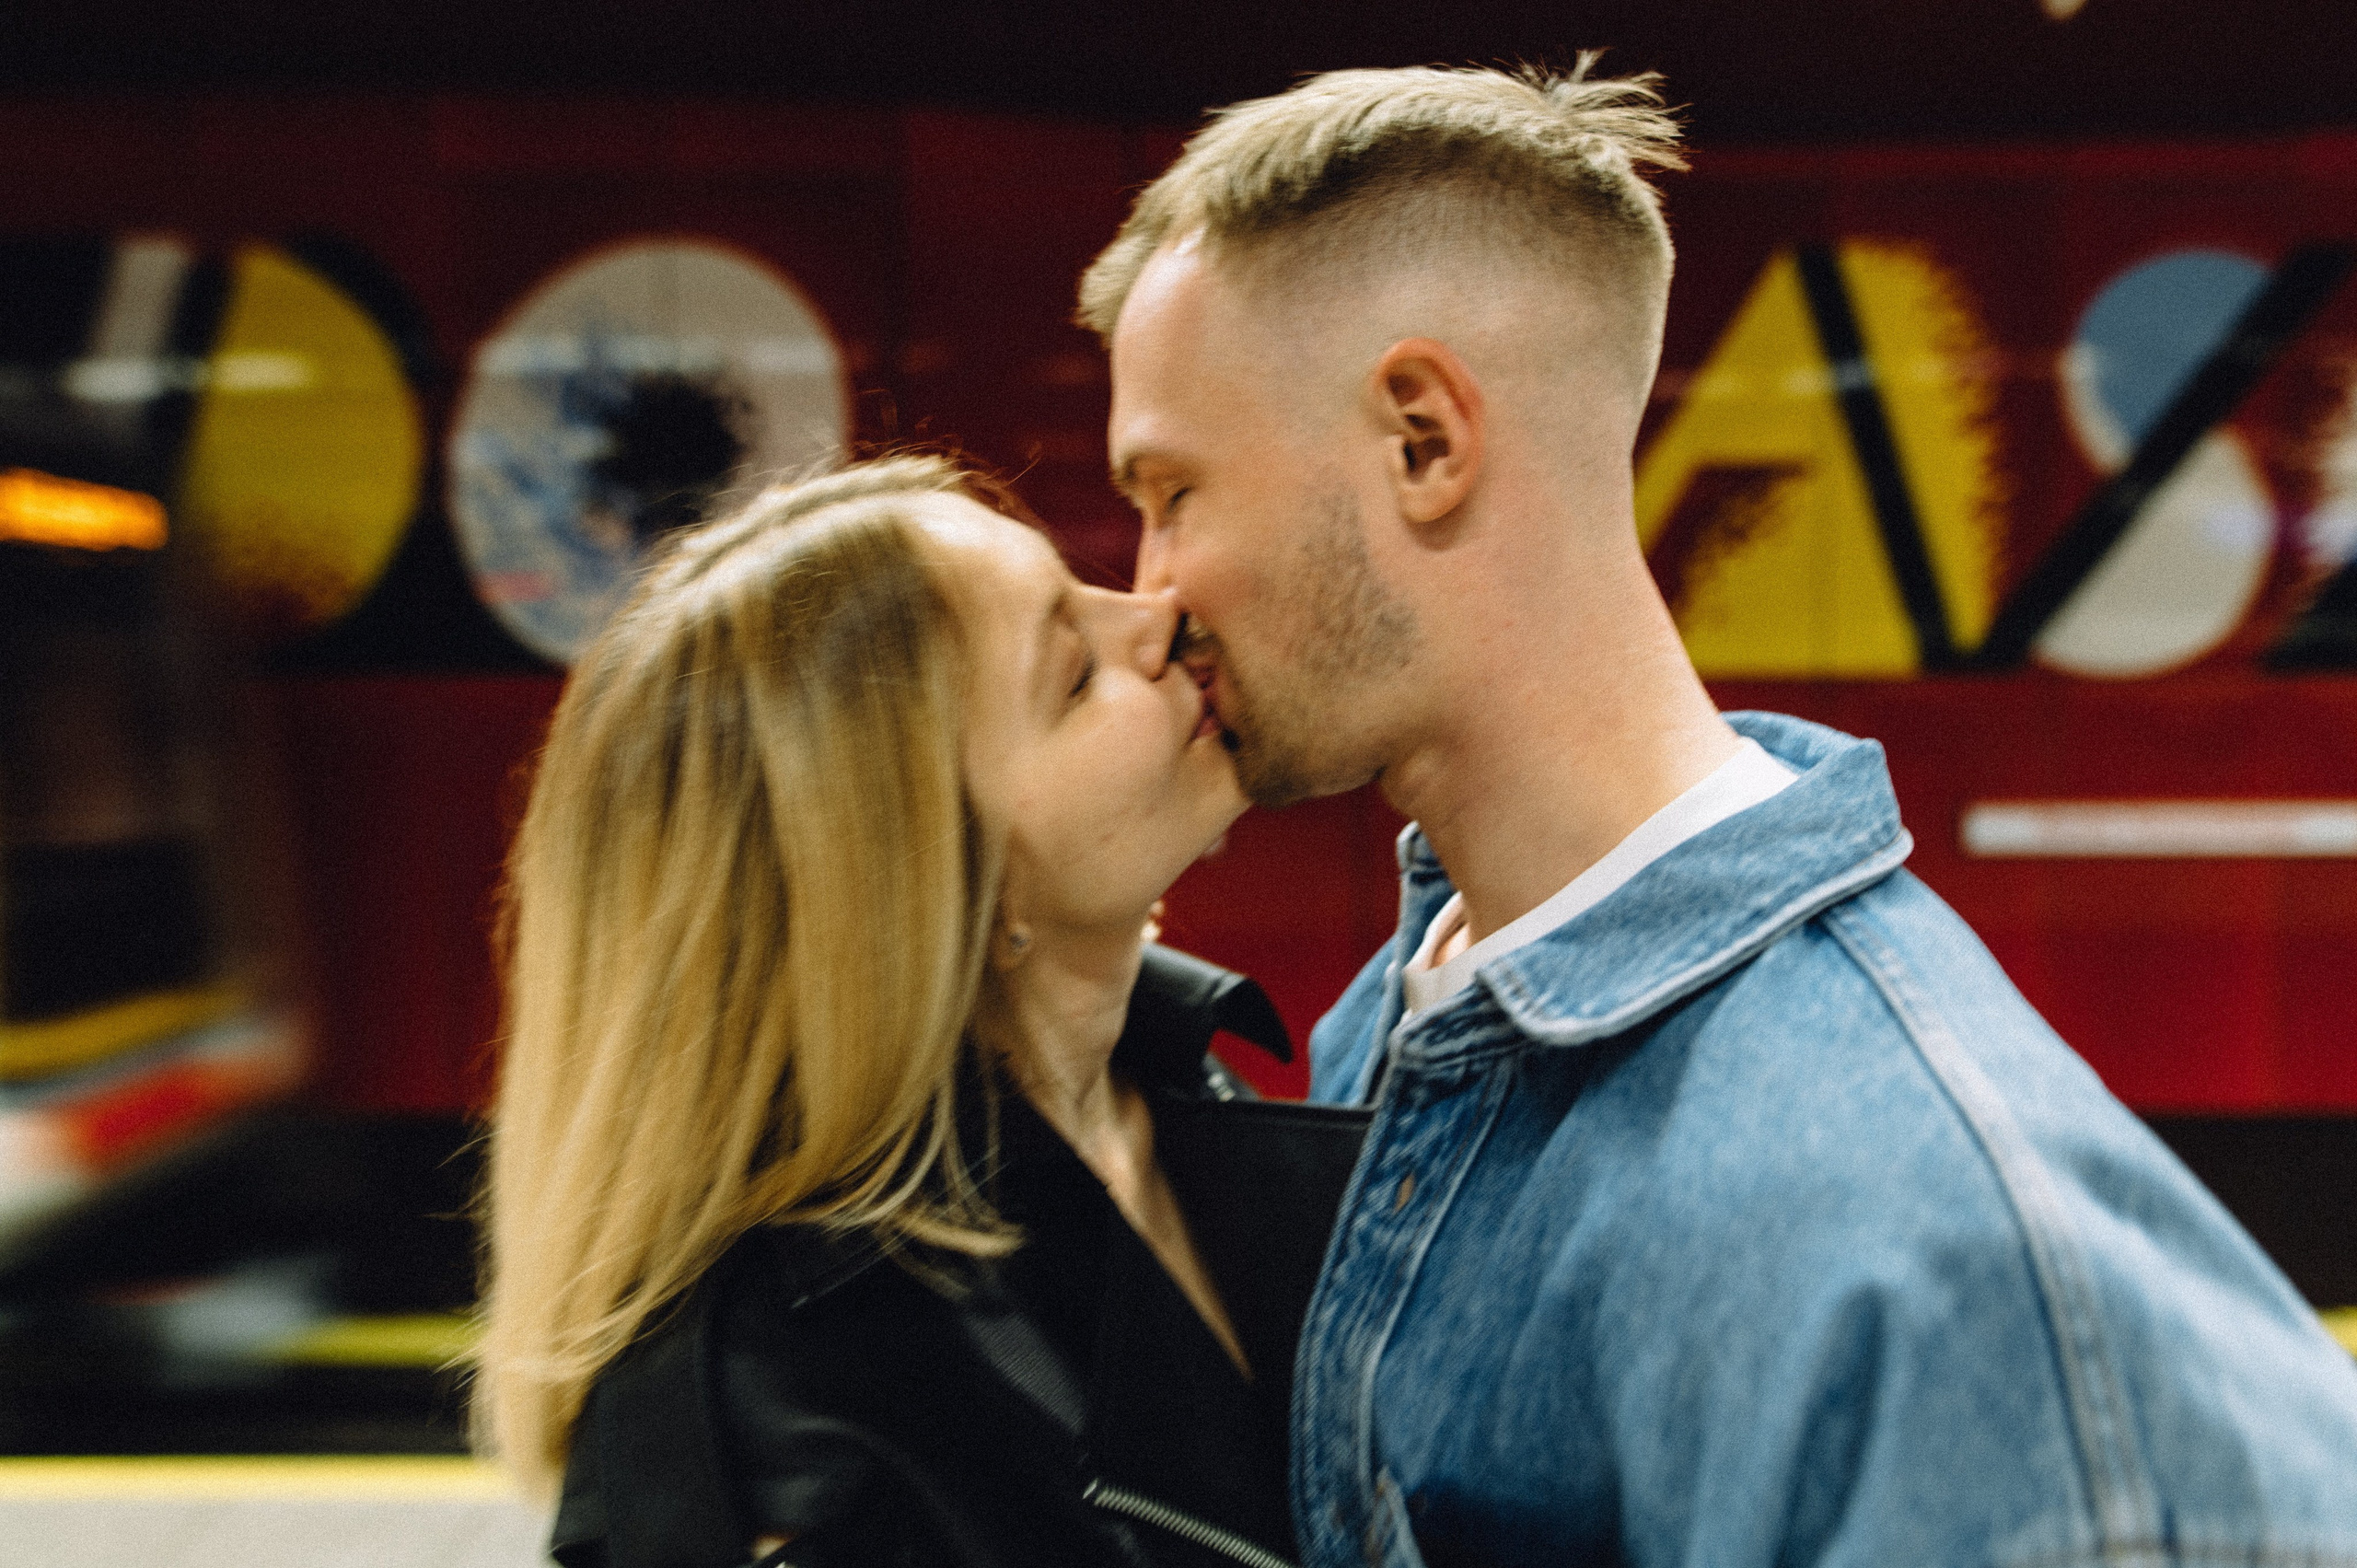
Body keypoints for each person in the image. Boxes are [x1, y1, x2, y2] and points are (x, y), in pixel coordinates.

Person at [1077, 57, 2357, 1568]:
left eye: (1172, 492)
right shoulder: (1388, 1028)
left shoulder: (1935, 1246)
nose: (1152, 593)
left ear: (1424, 438)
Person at [476, 454, 1362, 1568]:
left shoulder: (1172, 1077)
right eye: (1073, 672)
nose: (1158, 616)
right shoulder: (786, 1412)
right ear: (930, 886)